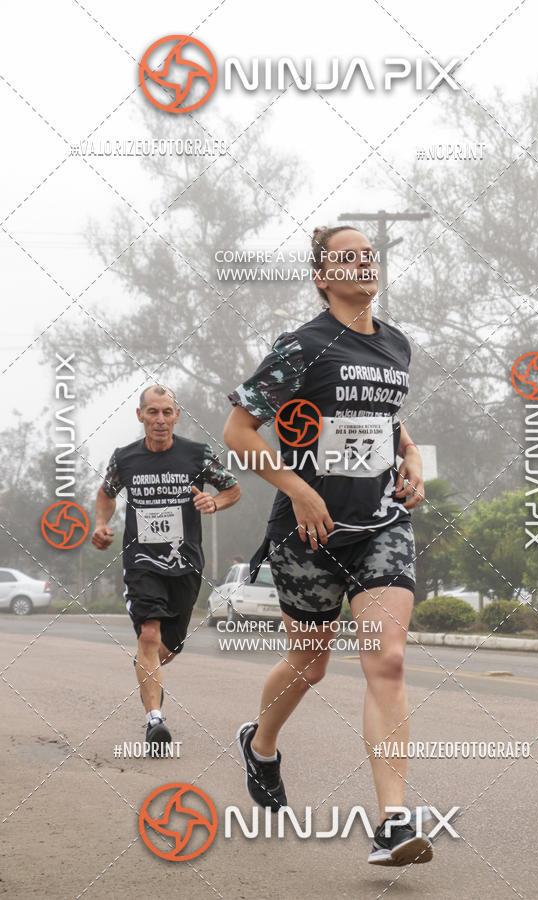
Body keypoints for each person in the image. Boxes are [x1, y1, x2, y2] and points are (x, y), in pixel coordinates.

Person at [224, 225, 431, 866]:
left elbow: (386, 420)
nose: (362, 262)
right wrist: (297, 488)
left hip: (379, 526)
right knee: (309, 665)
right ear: (322, 276)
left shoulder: (395, 344)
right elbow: (238, 430)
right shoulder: (302, 346)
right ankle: (260, 745)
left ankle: (392, 822)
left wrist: (414, 455)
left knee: (387, 659)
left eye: (369, 254)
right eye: (347, 256)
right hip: (308, 532)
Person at [92, 384, 240, 754]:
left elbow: (233, 489)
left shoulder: (197, 454)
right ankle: (154, 719)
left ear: (177, 416)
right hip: (142, 561)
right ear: (140, 415)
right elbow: (106, 494)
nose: (160, 419)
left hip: (185, 563)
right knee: (148, 636)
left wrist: (214, 501)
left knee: (167, 648)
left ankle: (150, 675)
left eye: (167, 412)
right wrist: (100, 523)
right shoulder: (125, 458)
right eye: (153, 412)